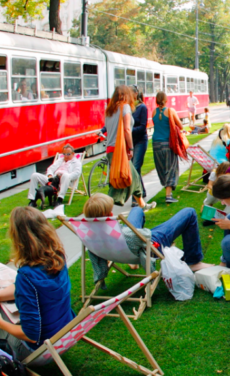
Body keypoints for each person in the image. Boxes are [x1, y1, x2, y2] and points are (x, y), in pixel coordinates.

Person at [0, 207, 74, 361]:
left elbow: (31, 335)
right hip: (65, 337)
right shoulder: (58, 257)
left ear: (18, 239)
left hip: (40, 351)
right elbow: (30, 287)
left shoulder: (26, 276)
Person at [82, 194, 212, 286]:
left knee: (137, 209)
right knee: (189, 213)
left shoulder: (89, 235)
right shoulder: (127, 235)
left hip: (124, 249)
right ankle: (193, 261)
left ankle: (132, 261)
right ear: (110, 214)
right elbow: (146, 236)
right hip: (148, 245)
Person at [104, 85, 150, 210]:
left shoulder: (109, 110)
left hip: (110, 149)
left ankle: (142, 204)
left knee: (130, 176)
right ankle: (105, 207)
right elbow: (127, 129)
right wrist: (130, 148)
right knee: (124, 179)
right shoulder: (125, 107)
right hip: (120, 149)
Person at [26, 144, 81, 213]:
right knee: (34, 175)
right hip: (53, 180)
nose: (66, 156)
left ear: (73, 154)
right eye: (64, 154)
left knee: (66, 175)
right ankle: (33, 200)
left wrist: (64, 176)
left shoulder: (76, 162)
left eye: (68, 154)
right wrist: (50, 176)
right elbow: (50, 169)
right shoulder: (60, 160)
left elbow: (76, 173)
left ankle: (59, 199)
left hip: (65, 180)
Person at [152, 90, 183, 205]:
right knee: (171, 168)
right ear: (166, 100)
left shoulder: (153, 112)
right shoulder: (170, 111)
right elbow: (180, 125)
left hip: (155, 144)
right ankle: (168, 195)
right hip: (167, 143)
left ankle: (167, 190)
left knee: (161, 168)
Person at [132, 89, 149, 187]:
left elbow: (143, 127)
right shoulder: (129, 108)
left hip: (141, 141)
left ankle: (136, 197)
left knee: (135, 167)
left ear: (136, 94)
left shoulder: (142, 107)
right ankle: (141, 192)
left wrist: (130, 130)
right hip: (131, 141)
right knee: (135, 169)